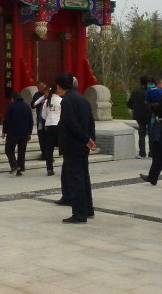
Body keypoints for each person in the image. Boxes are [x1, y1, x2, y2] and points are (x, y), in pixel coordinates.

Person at [55, 72, 96, 223]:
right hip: (83, 144)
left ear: (60, 86)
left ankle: (79, 214)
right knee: (84, 177)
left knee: (76, 179)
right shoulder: (82, 98)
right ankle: (88, 209)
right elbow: (91, 120)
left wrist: (85, 139)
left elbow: (71, 123)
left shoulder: (67, 100)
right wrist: (90, 139)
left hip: (73, 144)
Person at [2, 92, 33, 176]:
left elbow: (7, 119)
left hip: (13, 132)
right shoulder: (26, 106)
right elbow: (30, 120)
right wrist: (29, 133)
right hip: (24, 133)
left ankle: (14, 165)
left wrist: (4, 131)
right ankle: (20, 169)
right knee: (21, 151)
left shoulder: (11, 106)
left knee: (8, 150)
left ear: (13, 98)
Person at [128, 75, 153, 159]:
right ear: (148, 83)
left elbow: (129, 104)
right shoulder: (151, 92)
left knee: (141, 134)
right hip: (149, 114)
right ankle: (151, 153)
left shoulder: (136, 92)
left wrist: (135, 107)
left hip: (139, 115)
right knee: (150, 134)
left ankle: (142, 153)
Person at [39, 84, 62, 176]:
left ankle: (49, 168)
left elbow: (43, 115)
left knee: (49, 148)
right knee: (63, 145)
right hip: (58, 125)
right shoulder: (61, 100)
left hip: (49, 125)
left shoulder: (47, 101)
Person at [31, 81, 47, 160]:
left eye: (41, 87)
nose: (40, 89)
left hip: (48, 120)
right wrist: (39, 102)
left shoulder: (50, 94)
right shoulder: (37, 95)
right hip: (40, 120)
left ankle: (48, 153)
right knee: (41, 136)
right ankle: (43, 152)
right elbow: (32, 105)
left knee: (48, 137)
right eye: (38, 87)